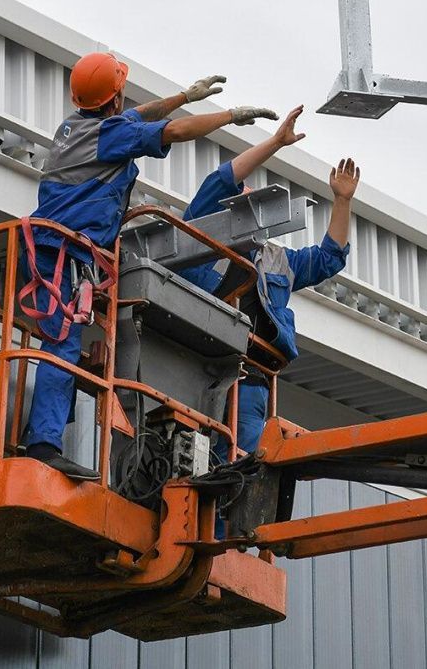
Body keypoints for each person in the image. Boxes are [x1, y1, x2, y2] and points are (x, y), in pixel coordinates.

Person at [23, 51, 278, 480]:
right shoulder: (109, 136)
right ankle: (43, 444)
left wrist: (183, 95)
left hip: (53, 250)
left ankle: (42, 437)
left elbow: (140, 116)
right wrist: (228, 116)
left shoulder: (73, 127)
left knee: (62, 341)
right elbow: (171, 131)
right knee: (63, 345)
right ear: (115, 95)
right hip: (68, 253)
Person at [177, 105, 361, 461]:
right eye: (241, 199)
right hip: (195, 368)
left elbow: (328, 258)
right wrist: (276, 142)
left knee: (240, 466)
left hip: (250, 379)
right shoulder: (198, 237)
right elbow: (223, 178)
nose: (249, 207)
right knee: (189, 458)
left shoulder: (276, 260)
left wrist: (341, 201)